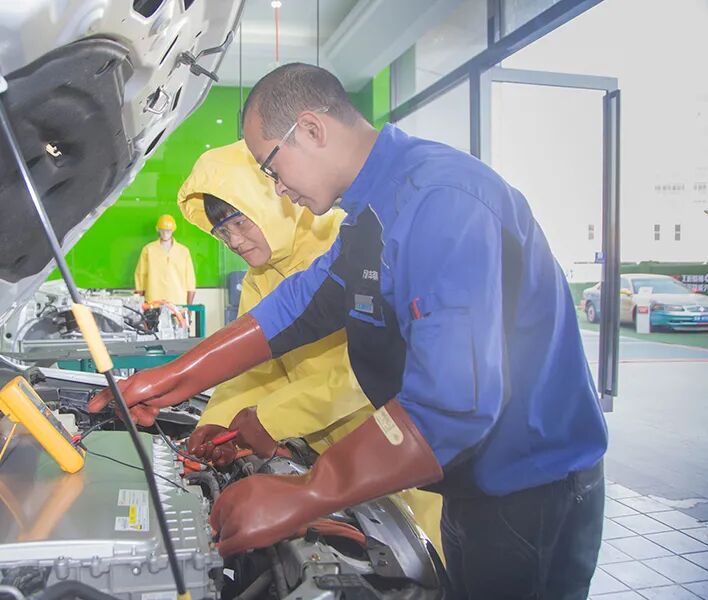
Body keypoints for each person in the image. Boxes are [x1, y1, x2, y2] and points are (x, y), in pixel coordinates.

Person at [93, 64, 608, 599]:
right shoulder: (372, 212)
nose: (279, 190)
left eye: (273, 168)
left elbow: (454, 402)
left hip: (529, 491)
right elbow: (299, 306)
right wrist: (170, 379)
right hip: (469, 485)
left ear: (311, 129)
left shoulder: (443, 201)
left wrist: (306, 494)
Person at [176, 140, 443, 552]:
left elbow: (364, 370)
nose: (234, 240)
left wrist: (270, 419)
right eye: (222, 232)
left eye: (240, 222)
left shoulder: (344, 243)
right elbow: (255, 372)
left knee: (436, 557)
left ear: (269, 198)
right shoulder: (258, 280)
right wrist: (216, 425)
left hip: (399, 444)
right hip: (331, 456)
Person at [133, 214, 196, 306]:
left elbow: (190, 280)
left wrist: (189, 307)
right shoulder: (148, 250)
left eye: (168, 231)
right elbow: (140, 276)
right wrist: (138, 305)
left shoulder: (183, 251)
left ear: (173, 230)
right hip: (153, 302)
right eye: (162, 230)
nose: (165, 233)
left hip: (178, 302)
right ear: (158, 230)